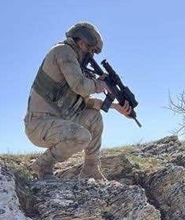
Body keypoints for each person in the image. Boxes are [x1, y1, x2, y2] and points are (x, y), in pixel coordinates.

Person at [24, 21, 131, 182]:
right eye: (91, 50)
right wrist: (98, 84)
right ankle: (43, 166)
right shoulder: (63, 51)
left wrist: (116, 107)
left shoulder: (76, 66)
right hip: (39, 124)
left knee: (94, 117)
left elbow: (85, 103)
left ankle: (91, 168)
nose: (91, 55)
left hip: (58, 121)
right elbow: (79, 85)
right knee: (82, 136)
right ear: (81, 43)